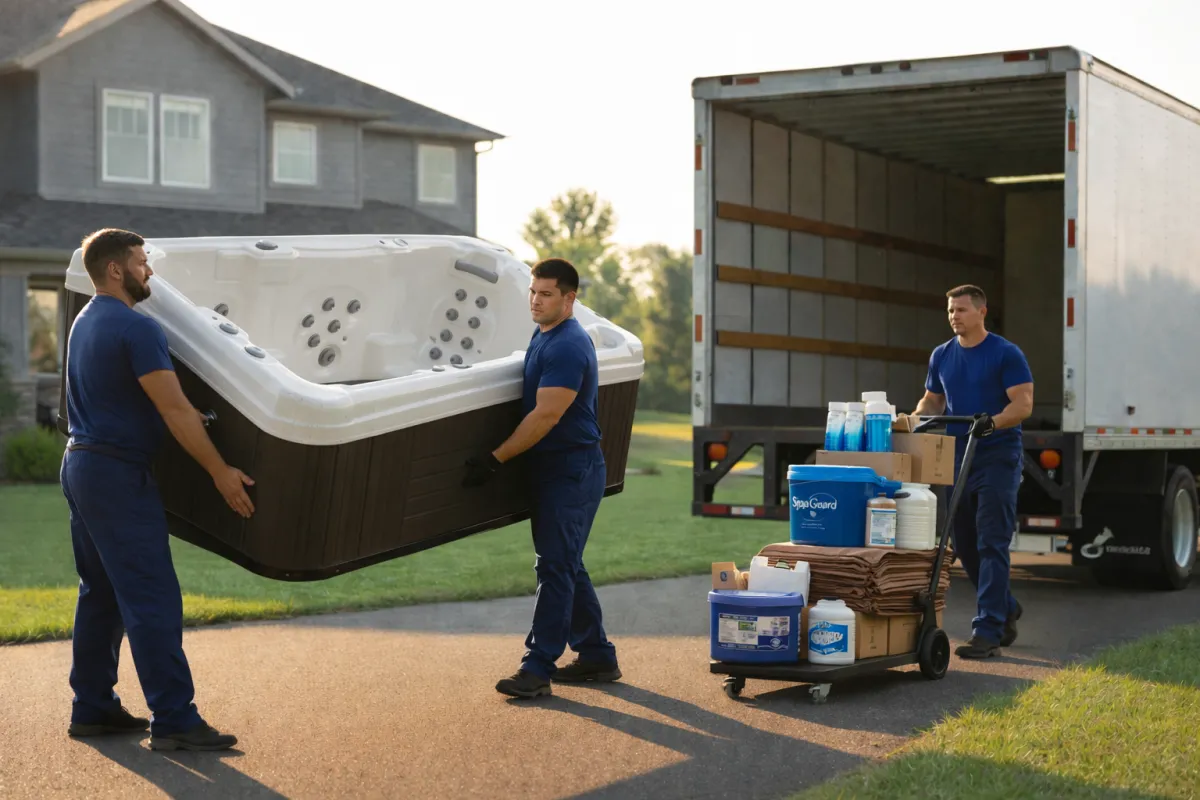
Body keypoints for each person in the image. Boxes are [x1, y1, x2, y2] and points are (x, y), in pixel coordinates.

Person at [60, 228, 254, 750]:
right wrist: (219, 470)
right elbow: (174, 410)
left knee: (101, 593)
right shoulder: (138, 329)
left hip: (81, 464)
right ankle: (174, 720)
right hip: (117, 474)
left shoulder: (86, 321)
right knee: (152, 598)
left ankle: (93, 706)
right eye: (143, 263)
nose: (151, 272)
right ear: (116, 270)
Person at [461, 257, 620, 698]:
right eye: (533, 292)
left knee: (555, 566)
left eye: (546, 294)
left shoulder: (567, 345)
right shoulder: (545, 333)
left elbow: (546, 415)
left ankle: (537, 667)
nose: (535, 300)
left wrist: (495, 458)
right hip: (554, 468)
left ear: (570, 299)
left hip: (572, 469)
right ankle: (596, 656)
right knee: (565, 563)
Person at [908, 284, 1033, 659]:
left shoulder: (1005, 353)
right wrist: (911, 423)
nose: (954, 316)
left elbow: (1023, 403)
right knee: (962, 543)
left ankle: (989, 630)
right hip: (959, 457)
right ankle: (1006, 606)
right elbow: (933, 399)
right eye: (950, 310)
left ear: (981, 311)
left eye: (961, 310)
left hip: (997, 457)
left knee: (991, 542)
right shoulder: (942, 355)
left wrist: (992, 423)